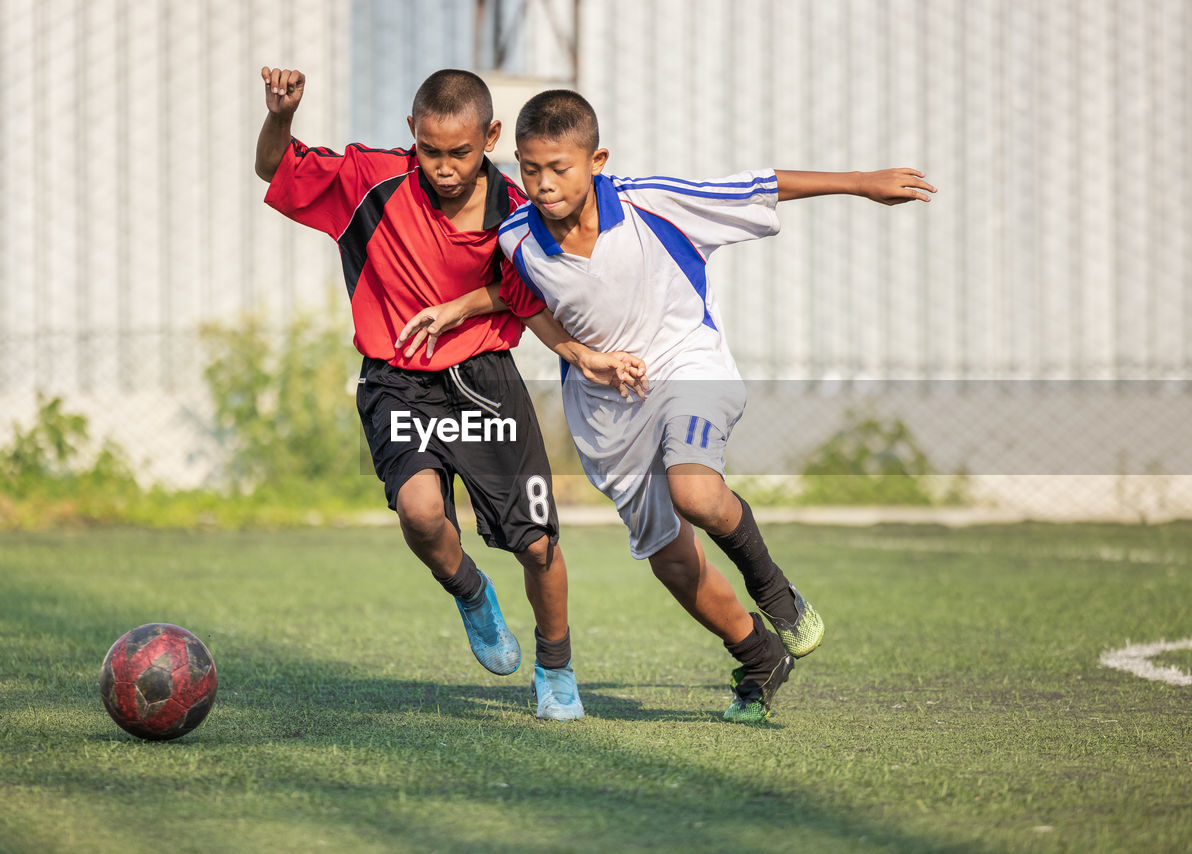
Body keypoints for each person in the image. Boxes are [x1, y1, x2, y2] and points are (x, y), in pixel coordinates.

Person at [398, 89, 935, 723]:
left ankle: (776, 593)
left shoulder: (650, 202)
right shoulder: (516, 237)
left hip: (688, 367)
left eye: (559, 168)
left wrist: (859, 183)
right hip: (607, 414)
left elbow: (758, 185)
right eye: (530, 168)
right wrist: (461, 308)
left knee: (697, 494)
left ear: (596, 160)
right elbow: (515, 296)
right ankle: (758, 654)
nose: (542, 185)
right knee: (670, 559)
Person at [255, 68, 645, 721]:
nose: (443, 167)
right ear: (412, 134)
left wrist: (571, 348)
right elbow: (274, 167)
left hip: (487, 381)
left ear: (490, 137)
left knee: (539, 543)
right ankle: (469, 590)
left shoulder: (520, 211)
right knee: (419, 511)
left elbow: (530, 295)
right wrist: (281, 116)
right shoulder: (368, 180)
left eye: (460, 152)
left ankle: (556, 670)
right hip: (397, 382)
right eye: (431, 151)